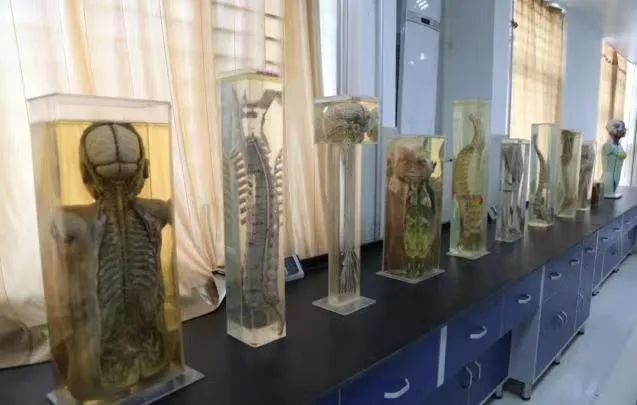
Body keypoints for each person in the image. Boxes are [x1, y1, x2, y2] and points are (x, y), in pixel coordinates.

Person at [602, 119, 627, 198]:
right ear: (613, 130)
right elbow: (622, 155)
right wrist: (622, 155)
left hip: (616, 174)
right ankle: (608, 192)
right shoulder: (608, 146)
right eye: (622, 128)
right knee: (609, 184)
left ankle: (611, 192)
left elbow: (623, 155)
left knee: (615, 182)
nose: (624, 130)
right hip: (608, 176)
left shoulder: (618, 145)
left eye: (624, 128)